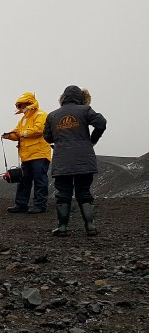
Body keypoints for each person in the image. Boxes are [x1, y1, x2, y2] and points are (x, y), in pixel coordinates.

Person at [43, 86, 107, 236]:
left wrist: (60, 137)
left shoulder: (52, 115)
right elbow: (101, 123)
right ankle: (90, 226)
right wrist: (92, 140)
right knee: (84, 191)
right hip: (84, 158)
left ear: (63, 98)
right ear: (81, 98)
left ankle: (63, 227)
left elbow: (47, 137)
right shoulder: (85, 110)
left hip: (62, 159)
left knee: (63, 192)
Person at [2, 92, 51, 214]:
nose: (20, 108)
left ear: (29, 103)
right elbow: (17, 132)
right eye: (19, 106)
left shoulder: (41, 115)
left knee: (40, 180)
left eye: (22, 105)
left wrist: (20, 133)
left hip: (40, 153)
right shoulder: (24, 119)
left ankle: (40, 205)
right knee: (24, 180)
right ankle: (21, 204)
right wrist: (9, 136)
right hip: (27, 155)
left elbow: (39, 130)